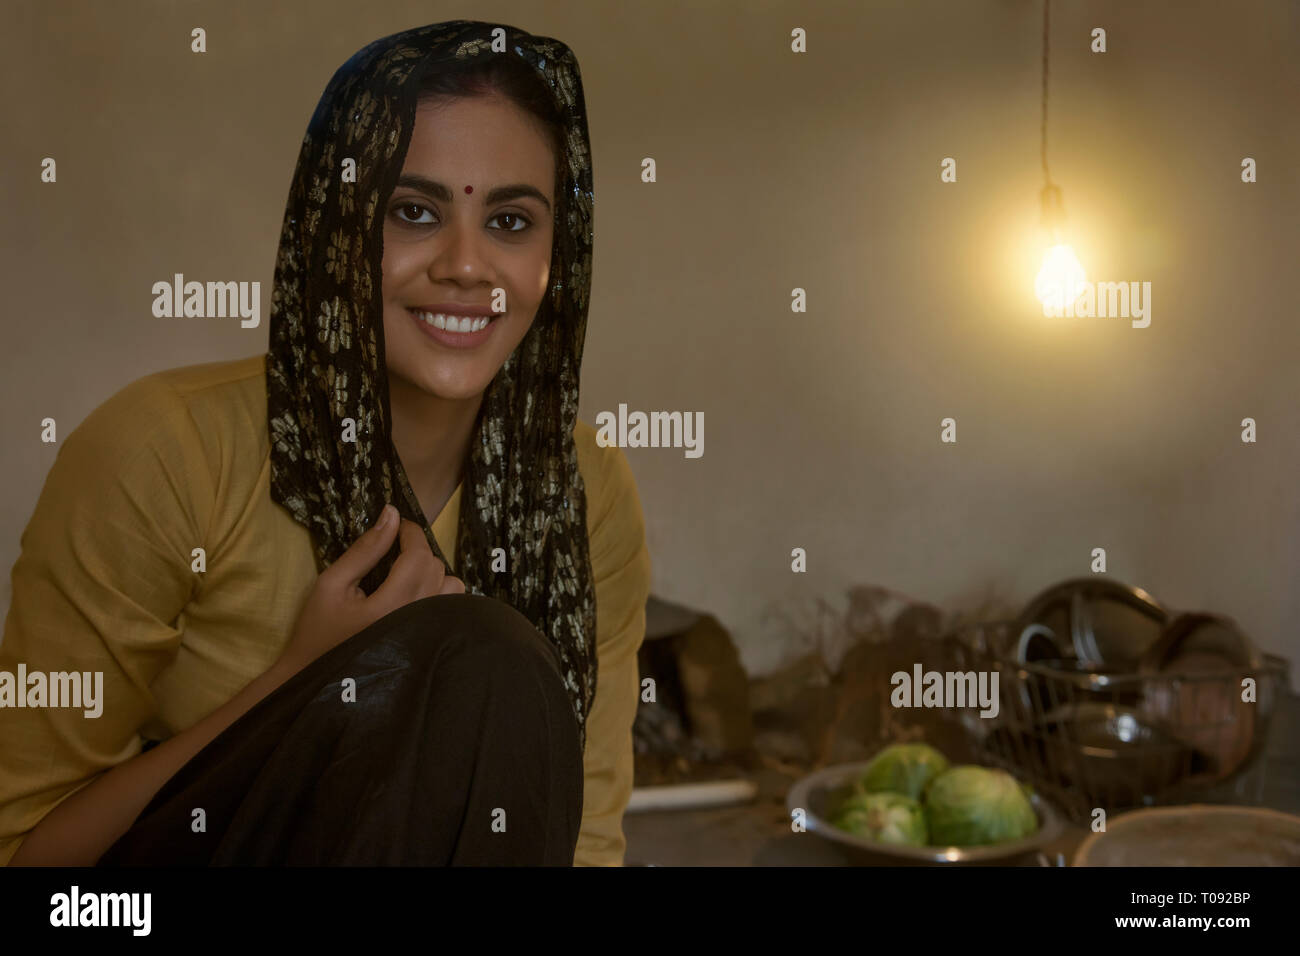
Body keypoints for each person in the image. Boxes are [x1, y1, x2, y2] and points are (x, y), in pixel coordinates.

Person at [0, 20, 651, 866]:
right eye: (412, 212)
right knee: (479, 654)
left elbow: (582, 845)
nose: (466, 265)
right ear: (335, 225)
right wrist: (305, 677)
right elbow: (26, 851)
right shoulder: (166, 452)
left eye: (512, 221)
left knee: (490, 666)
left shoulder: (584, 494)